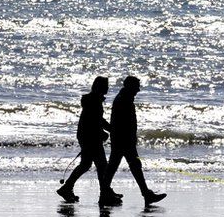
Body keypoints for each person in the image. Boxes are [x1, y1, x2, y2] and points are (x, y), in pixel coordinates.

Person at [57, 76, 122, 206]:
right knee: (102, 166)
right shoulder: (94, 101)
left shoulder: (93, 100)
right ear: (98, 87)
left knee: (87, 165)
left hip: (86, 136)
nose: (107, 89)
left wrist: (109, 129)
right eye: (105, 86)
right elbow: (94, 121)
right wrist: (105, 132)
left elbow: (97, 120)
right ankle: (105, 193)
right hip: (90, 137)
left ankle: (67, 188)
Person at [105, 76, 166, 206]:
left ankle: (145, 193)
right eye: (137, 86)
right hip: (123, 140)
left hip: (122, 139)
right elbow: (123, 123)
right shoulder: (123, 100)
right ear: (130, 86)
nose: (138, 89)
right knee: (126, 166)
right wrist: (129, 138)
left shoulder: (124, 98)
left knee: (121, 166)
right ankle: (145, 194)